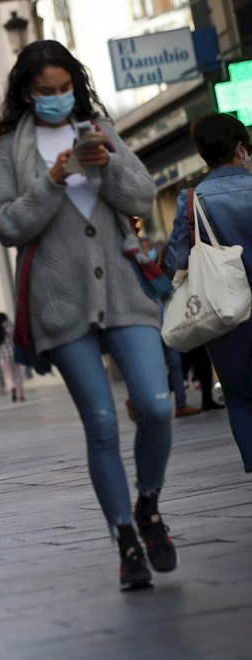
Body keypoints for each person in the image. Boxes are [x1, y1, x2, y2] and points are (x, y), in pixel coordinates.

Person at [0, 40, 176, 589]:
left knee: (156, 406)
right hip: (59, 302)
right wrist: (51, 181)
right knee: (100, 423)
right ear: (28, 93)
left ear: (76, 84)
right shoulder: (13, 150)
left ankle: (149, 507)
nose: (57, 99)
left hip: (124, 292)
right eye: (45, 92)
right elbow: (6, 225)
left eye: (65, 88)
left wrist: (108, 165)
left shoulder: (99, 128)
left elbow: (142, 197)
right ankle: (125, 541)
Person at [163, 112, 252, 473]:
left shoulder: (192, 201)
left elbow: (174, 259)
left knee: (239, 395)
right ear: (241, 149)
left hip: (226, 312)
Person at [0, 312, 25, 402]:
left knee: (7, 374)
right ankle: (20, 395)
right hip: (14, 353)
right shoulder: (11, 325)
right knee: (18, 374)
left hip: (3, 355)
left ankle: (12, 388)